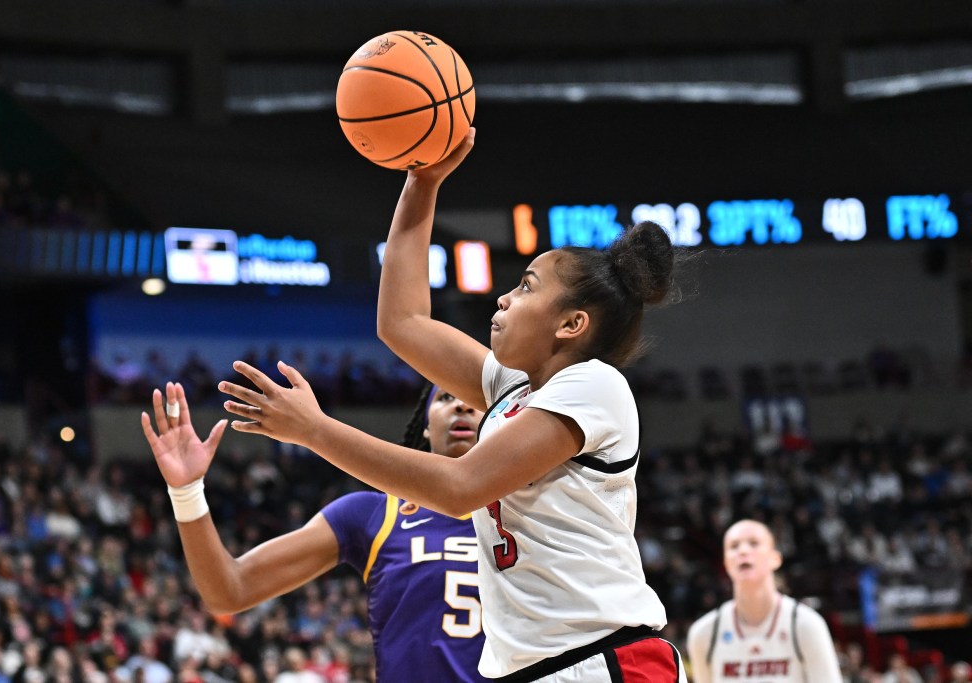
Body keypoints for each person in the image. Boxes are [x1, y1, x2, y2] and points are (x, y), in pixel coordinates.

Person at [218, 128, 686, 682]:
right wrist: (422, 183)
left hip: (605, 660)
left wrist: (316, 431)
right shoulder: (515, 387)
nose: (504, 298)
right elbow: (402, 322)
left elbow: (459, 488)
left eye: (527, 287)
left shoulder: (596, 385)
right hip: (539, 667)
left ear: (571, 324)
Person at [141, 380, 490, 682]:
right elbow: (230, 589)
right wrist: (186, 493)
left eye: (477, 401)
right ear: (425, 425)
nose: (461, 405)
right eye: (445, 397)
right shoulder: (376, 514)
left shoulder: (536, 516)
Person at [686, 519, 842, 682]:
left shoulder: (806, 625)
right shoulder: (704, 633)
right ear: (726, 564)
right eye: (734, 546)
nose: (743, 551)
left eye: (754, 543)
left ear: (775, 559)